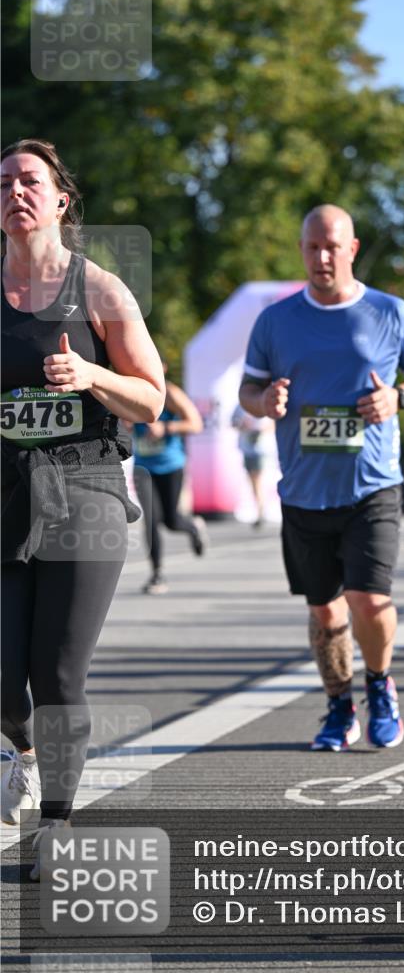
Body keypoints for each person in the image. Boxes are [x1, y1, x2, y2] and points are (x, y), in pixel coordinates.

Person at [1, 139, 165, 876]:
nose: (15, 194)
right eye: (3, 184)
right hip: (6, 491)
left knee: (58, 671)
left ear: (61, 200)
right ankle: (20, 749)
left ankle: (57, 823)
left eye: (29, 181)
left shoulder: (98, 289)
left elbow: (152, 398)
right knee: (6, 677)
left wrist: (92, 372)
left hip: (86, 490)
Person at [239, 204, 404, 751]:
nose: (322, 257)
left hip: (372, 482)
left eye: (333, 246)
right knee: (325, 611)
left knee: (368, 599)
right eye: (312, 247)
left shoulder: (390, 312)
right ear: (302, 250)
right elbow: (248, 393)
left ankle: (380, 684)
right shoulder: (276, 321)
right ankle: (337, 707)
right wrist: (266, 401)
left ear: (352, 249)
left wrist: (397, 397)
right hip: (304, 489)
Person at [132, 363, 207, 594]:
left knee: (172, 521)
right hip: (143, 467)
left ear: (162, 368)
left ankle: (193, 528)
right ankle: (157, 574)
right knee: (151, 520)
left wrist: (165, 428)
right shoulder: (131, 390)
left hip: (171, 465)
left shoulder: (171, 393)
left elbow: (195, 424)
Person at [231, 404, 275, 528]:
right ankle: (259, 509)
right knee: (252, 481)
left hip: (262, 449)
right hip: (247, 448)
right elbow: (233, 422)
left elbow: (274, 424)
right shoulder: (240, 406)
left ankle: (261, 511)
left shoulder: (266, 402)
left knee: (257, 480)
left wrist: (260, 430)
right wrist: (243, 425)